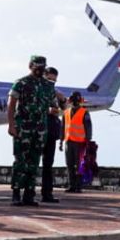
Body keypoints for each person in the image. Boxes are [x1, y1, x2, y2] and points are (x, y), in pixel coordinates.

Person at [7, 55, 57, 206]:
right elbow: (11, 104)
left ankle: (29, 194)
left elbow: (53, 105)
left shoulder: (48, 85)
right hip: (23, 127)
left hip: (40, 129)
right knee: (20, 161)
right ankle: (16, 193)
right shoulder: (21, 83)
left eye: (42, 67)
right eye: (37, 67)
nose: (39, 70)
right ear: (30, 65)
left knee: (34, 162)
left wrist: (56, 105)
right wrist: (11, 124)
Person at [40, 66, 66, 203]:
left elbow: (64, 108)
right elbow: (30, 106)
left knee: (48, 164)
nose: (51, 82)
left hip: (51, 131)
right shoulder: (37, 90)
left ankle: (47, 193)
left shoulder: (54, 92)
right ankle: (27, 193)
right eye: (49, 79)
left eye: (54, 80)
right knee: (31, 163)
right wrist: (47, 110)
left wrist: (62, 99)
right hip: (38, 130)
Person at [63, 91, 92, 193]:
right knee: (69, 164)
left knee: (79, 165)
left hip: (80, 142)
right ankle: (71, 185)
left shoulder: (84, 112)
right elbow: (63, 127)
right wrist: (61, 142)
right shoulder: (66, 112)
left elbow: (88, 127)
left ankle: (78, 186)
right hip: (68, 141)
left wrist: (88, 141)